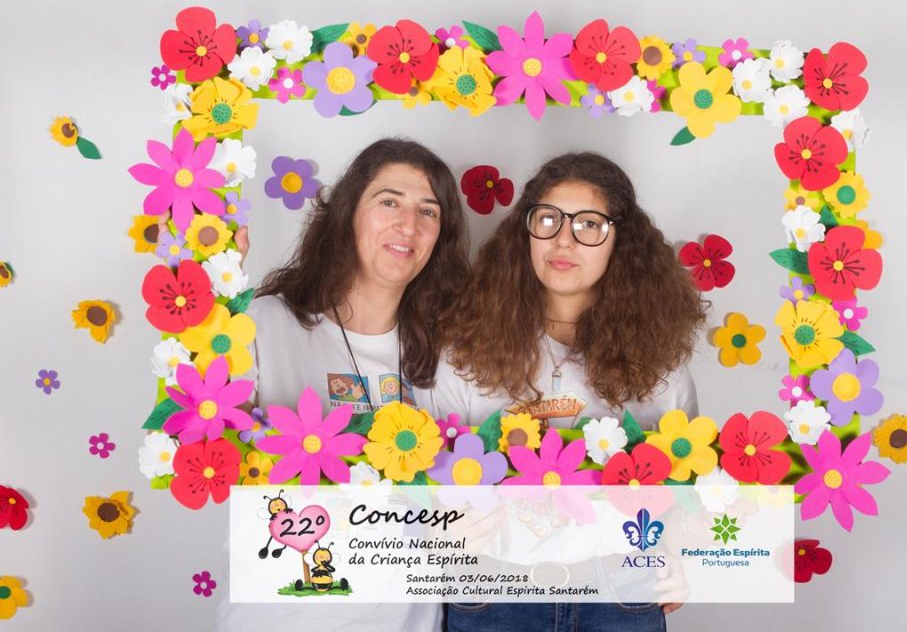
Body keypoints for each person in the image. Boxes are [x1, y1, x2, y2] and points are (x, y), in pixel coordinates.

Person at [432, 151, 707, 631]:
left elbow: (685, 485)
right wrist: (444, 533)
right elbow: (431, 486)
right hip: (492, 597)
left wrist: (679, 554)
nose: (564, 239)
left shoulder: (661, 363)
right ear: (525, 232)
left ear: (621, 241)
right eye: (549, 219)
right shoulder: (464, 350)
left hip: (621, 595)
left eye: (589, 225)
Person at [216, 137, 469, 632]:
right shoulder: (263, 323)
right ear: (348, 213)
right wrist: (214, 283)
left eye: (428, 211)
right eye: (389, 202)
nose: (409, 225)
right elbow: (207, 439)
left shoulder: (450, 354)